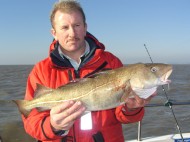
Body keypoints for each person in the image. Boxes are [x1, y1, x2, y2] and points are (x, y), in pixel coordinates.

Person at [22, 0, 156, 142]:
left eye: (77, 25)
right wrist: (53, 125)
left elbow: (122, 115)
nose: (72, 33)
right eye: (64, 27)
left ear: (85, 27)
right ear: (54, 33)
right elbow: (31, 123)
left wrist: (132, 109)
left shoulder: (111, 62)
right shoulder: (40, 70)